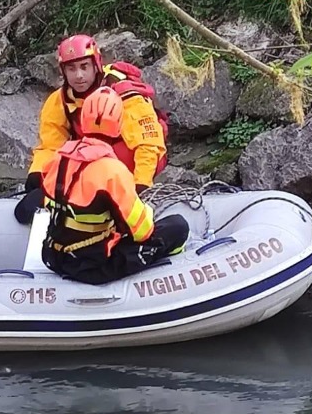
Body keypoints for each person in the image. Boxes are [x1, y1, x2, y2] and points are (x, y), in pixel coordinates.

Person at [39, 86, 188, 286]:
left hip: (53, 256)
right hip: (92, 266)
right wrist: (145, 211)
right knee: (177, 227)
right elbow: (143, 231)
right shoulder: (113, 171)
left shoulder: (59, 158)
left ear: (83, 121)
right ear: (118, 126)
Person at [14, 34, 167, 223]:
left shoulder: (125, 94)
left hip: (126, 156)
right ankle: (66, 195)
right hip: (95, 158)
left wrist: (140, 187)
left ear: (96, 65)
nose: (78, 75)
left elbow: (148, 145)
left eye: (84, 67)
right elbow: (51, 146)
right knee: (67, 158)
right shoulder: (60, 100)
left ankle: (91, 193)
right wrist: (38, 176)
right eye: (71, 69)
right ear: (63, 72)